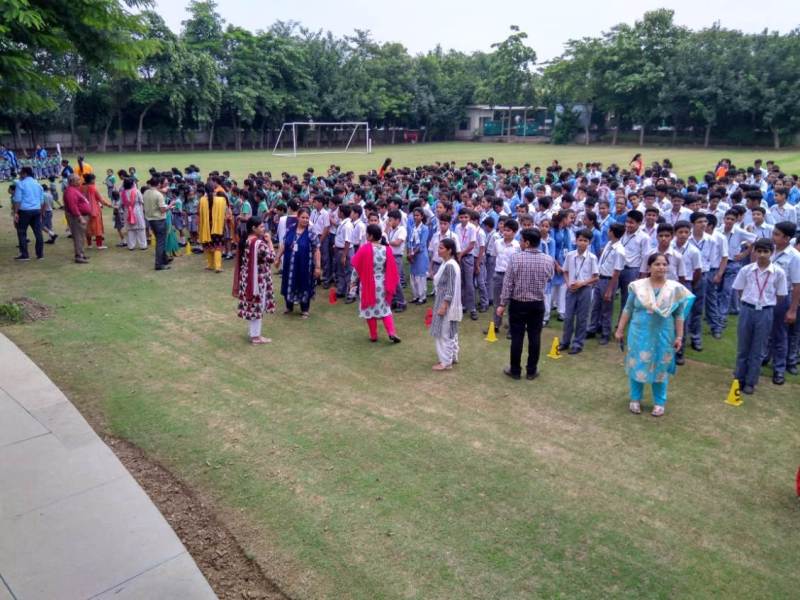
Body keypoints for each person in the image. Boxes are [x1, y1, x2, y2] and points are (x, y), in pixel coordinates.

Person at [614, 253, 694, 417]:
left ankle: (659, 403)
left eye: (664, 264)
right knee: (637, 364)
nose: (661, 267)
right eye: (657, 264)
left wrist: (679, 336)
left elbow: (679, 315)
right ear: (649, 267)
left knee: (661, 366)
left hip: (663, 334)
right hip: (639, 333)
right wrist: (620, 329)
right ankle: (635, 399)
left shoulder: (675, 289)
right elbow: (628, 309)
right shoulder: (638, 287)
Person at [496, 228, 555, 380]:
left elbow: (508, 283)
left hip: (518, 303)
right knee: (535, 337)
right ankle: (531, 371)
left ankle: (515, 370)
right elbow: (550, 277)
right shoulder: (548, 260)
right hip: (537, 303)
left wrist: (502, 303)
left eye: (521, 240)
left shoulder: (516, 259)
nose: (520, 242)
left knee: (517, 337)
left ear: (527, 243)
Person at [732, 239, 788, 394]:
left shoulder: (778, 272)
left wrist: (765, 304)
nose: (762, 255)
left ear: (772, 252)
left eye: (766, 252)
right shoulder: (746, 270)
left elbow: (781, 295)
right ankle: (739, 378)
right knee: (743, 347)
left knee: (758, 349)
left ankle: (750, 381)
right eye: (759, 251)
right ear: (754, 251)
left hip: (765, 311)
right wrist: (748, 302)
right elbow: (740, 289)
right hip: (747, 309)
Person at [349, 224, 401, 343]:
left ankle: (373, 335)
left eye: (367, 233)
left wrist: (353, 282)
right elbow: (391, 268)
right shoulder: (386, 249)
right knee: (385, 309)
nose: (366, 235)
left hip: (368, 283)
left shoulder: (364, 249)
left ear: (371, 236)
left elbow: (356, 268)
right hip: (382, 284)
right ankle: (391, 332)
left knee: (369, 309)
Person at [234, 216, 276, 345]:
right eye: (261, 227)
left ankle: (253, 333)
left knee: (253, 306)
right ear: (254, 228)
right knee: (257, 307)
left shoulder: (246, 240)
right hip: (258, 280)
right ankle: (256, 337)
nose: (264, 229)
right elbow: (271, 258)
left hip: (247, 278)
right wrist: (270, 242)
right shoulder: (259, 244)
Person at [768, 222, 800, 384]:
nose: (773, 237)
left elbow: (797, 285)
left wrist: (793, 310)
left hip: (782, 297)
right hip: (766, 295)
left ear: (787, 238)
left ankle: (779, 369)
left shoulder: (794, 256)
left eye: (776, 234)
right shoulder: (770, 250)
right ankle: (764, 357)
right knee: (766, 331)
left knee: (780, 334)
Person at [275, 207, 321, 317]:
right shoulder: (290, 228)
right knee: (289, 282)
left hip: (305, 265)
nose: (305, 220)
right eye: (303, 217)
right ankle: (289, 307)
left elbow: (316, 249)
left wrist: (318, 267)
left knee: (304, 283)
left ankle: (304, 309)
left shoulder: (311, 232)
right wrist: (277, 257)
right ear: (298, 217)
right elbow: (284, 244)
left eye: (307, 218)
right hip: (289, 264)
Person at [560, 228, 599, 354]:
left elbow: (596, 277)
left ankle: (577, 343)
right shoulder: (570, 255)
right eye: (580, 240)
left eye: (585, 241)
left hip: (585, 289)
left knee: (582, 318)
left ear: (589, 242)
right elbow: (565, 271)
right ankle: (565, 342)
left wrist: (582, 283)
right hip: (571, 289)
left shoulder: (592, 258)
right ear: (576, 241)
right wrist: (568, 283)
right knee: (568, 317)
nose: (582, 243)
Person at [589, 222, 626, 344]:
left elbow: (617, 272)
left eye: (609, 230)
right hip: (600, 278)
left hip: (609, 280)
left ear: (612, 232)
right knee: (595, 306)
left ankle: (605, 333)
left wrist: (610, 290)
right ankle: (593, 328)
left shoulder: (619, 251)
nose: (607, 232)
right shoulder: (609, 244)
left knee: (606, 309)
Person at [430, 238, 462, 370]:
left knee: (443, 332)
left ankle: (445, 362)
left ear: (449, 250)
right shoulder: (447, 263)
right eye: (438, 247)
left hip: (446, 304)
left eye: (441, 248)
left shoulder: (450, 265)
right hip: (446, 302)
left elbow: (450, 288)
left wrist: (444, 305)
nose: (438, 250)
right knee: (450, 332)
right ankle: (452, 357)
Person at [12, 166, 44, 261]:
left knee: (21, 232)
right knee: (38, 232)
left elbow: (18, 200)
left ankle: (24, 254)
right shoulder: (38, 184)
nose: (20, 175)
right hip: (36, 210)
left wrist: (16, 212)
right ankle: (40, 254)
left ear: (25, 174)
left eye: (21, 173)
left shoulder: (21, 184)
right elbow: (42, 200)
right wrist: (41, 213)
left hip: (24, 211)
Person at [143, 177, 173, 271]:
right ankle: (159, 264)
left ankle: (164, 259)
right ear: (159, 184)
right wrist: (170, 206)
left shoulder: (146, 192)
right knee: (160, 242)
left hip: (150, 219)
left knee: (160, 240)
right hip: (159, 219)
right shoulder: (158, 195)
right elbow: (163, 209)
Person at [62, 174, 92, 264]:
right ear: (72, 182)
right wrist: (80, 217)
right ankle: (79, 256)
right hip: (76, 217)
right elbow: (73, 206)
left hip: (81, 216)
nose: (80, 181)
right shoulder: (70, 192)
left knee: (81, 236)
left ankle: (81, 253)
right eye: (78, 180)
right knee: (78, 236)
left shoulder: (75, 189)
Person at [81, 173, 112, 250]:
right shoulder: (93, 188)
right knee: (98, 227)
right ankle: (99, 245)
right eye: (94, 179)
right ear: (91, 180)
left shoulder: (82, 187)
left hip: (84, 210)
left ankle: (89, 244)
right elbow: (100, 199)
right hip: (94, 210)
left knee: (88, 227)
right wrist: (109, 205)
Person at [199, 188, 227, 272]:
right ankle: (217, 267)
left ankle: (210, 265)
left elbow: (199, 212)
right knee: (217, 246)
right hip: (217, 226)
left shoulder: (202, 200)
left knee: (208, 245)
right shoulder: (221, 200)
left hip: (206, 226)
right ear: (214, 191)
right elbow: (224, 212)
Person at [408, 207, 430, 304]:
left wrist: (412, 253)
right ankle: (415, 296)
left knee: (420, 276)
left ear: (422, 217)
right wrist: (409, 252)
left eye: (417, 215)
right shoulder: (412, 228)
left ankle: (422, 297)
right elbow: (409, 241)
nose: (415, 217)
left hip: (420, 255)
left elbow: (422, 244)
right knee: (413, 275)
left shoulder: (425, 228)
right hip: (412, 254)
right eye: (414, 215)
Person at [120, 178, 147, 250]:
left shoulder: (123, 193)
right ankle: (143, 245)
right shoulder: (136, 191)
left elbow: (121, 203)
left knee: (130, 229)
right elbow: (141, 200)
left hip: (127, 210)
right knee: (140, 228)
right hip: (137, 209)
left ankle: (131, 245)